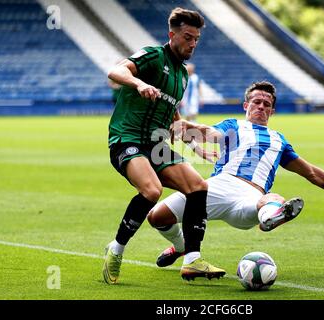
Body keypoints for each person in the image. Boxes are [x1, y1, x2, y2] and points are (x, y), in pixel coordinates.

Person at [147, 81, 324, 268]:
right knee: (156, 217)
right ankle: (181, 247)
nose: (261, 107)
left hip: (250, 197)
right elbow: (210, 133)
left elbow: (312, 173)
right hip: (217, 187)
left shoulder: (279, 140)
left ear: (272, 110)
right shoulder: (234, 125)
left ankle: (272, 216)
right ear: (245, 106)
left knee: (273, 199)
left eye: (266, 104)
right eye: (256, 102)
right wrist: (185, 124)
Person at [103, 7, 225, 284]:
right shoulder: (153, 56)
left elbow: (173, 115)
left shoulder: (182, 75)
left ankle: (193, 260)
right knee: (151, 190)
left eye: (196, 39)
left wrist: (193, 144)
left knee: (199, 187)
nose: (192, 43)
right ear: (172, 34)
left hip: (156, 145)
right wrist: (137, 83)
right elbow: (115, 70)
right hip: (127, 139)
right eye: (187, 37)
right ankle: (116, 248)